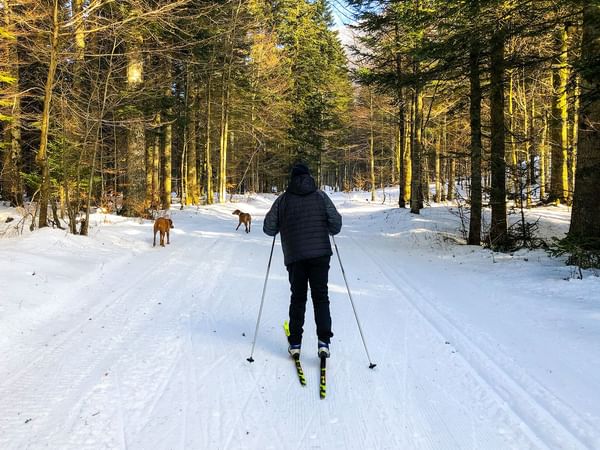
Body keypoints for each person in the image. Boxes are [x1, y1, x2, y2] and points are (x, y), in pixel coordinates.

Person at [263, 163, 342, 359]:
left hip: (295, 256)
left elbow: (268, 228)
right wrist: (327, 227)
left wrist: (282, 222)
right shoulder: (320, 196)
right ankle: (324, 342)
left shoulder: (283, 200)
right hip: (320, 254)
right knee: (321, 297)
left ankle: (295, 343)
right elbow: (336, 225)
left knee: (298, 298)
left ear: (292, 179)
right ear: (309, 177)